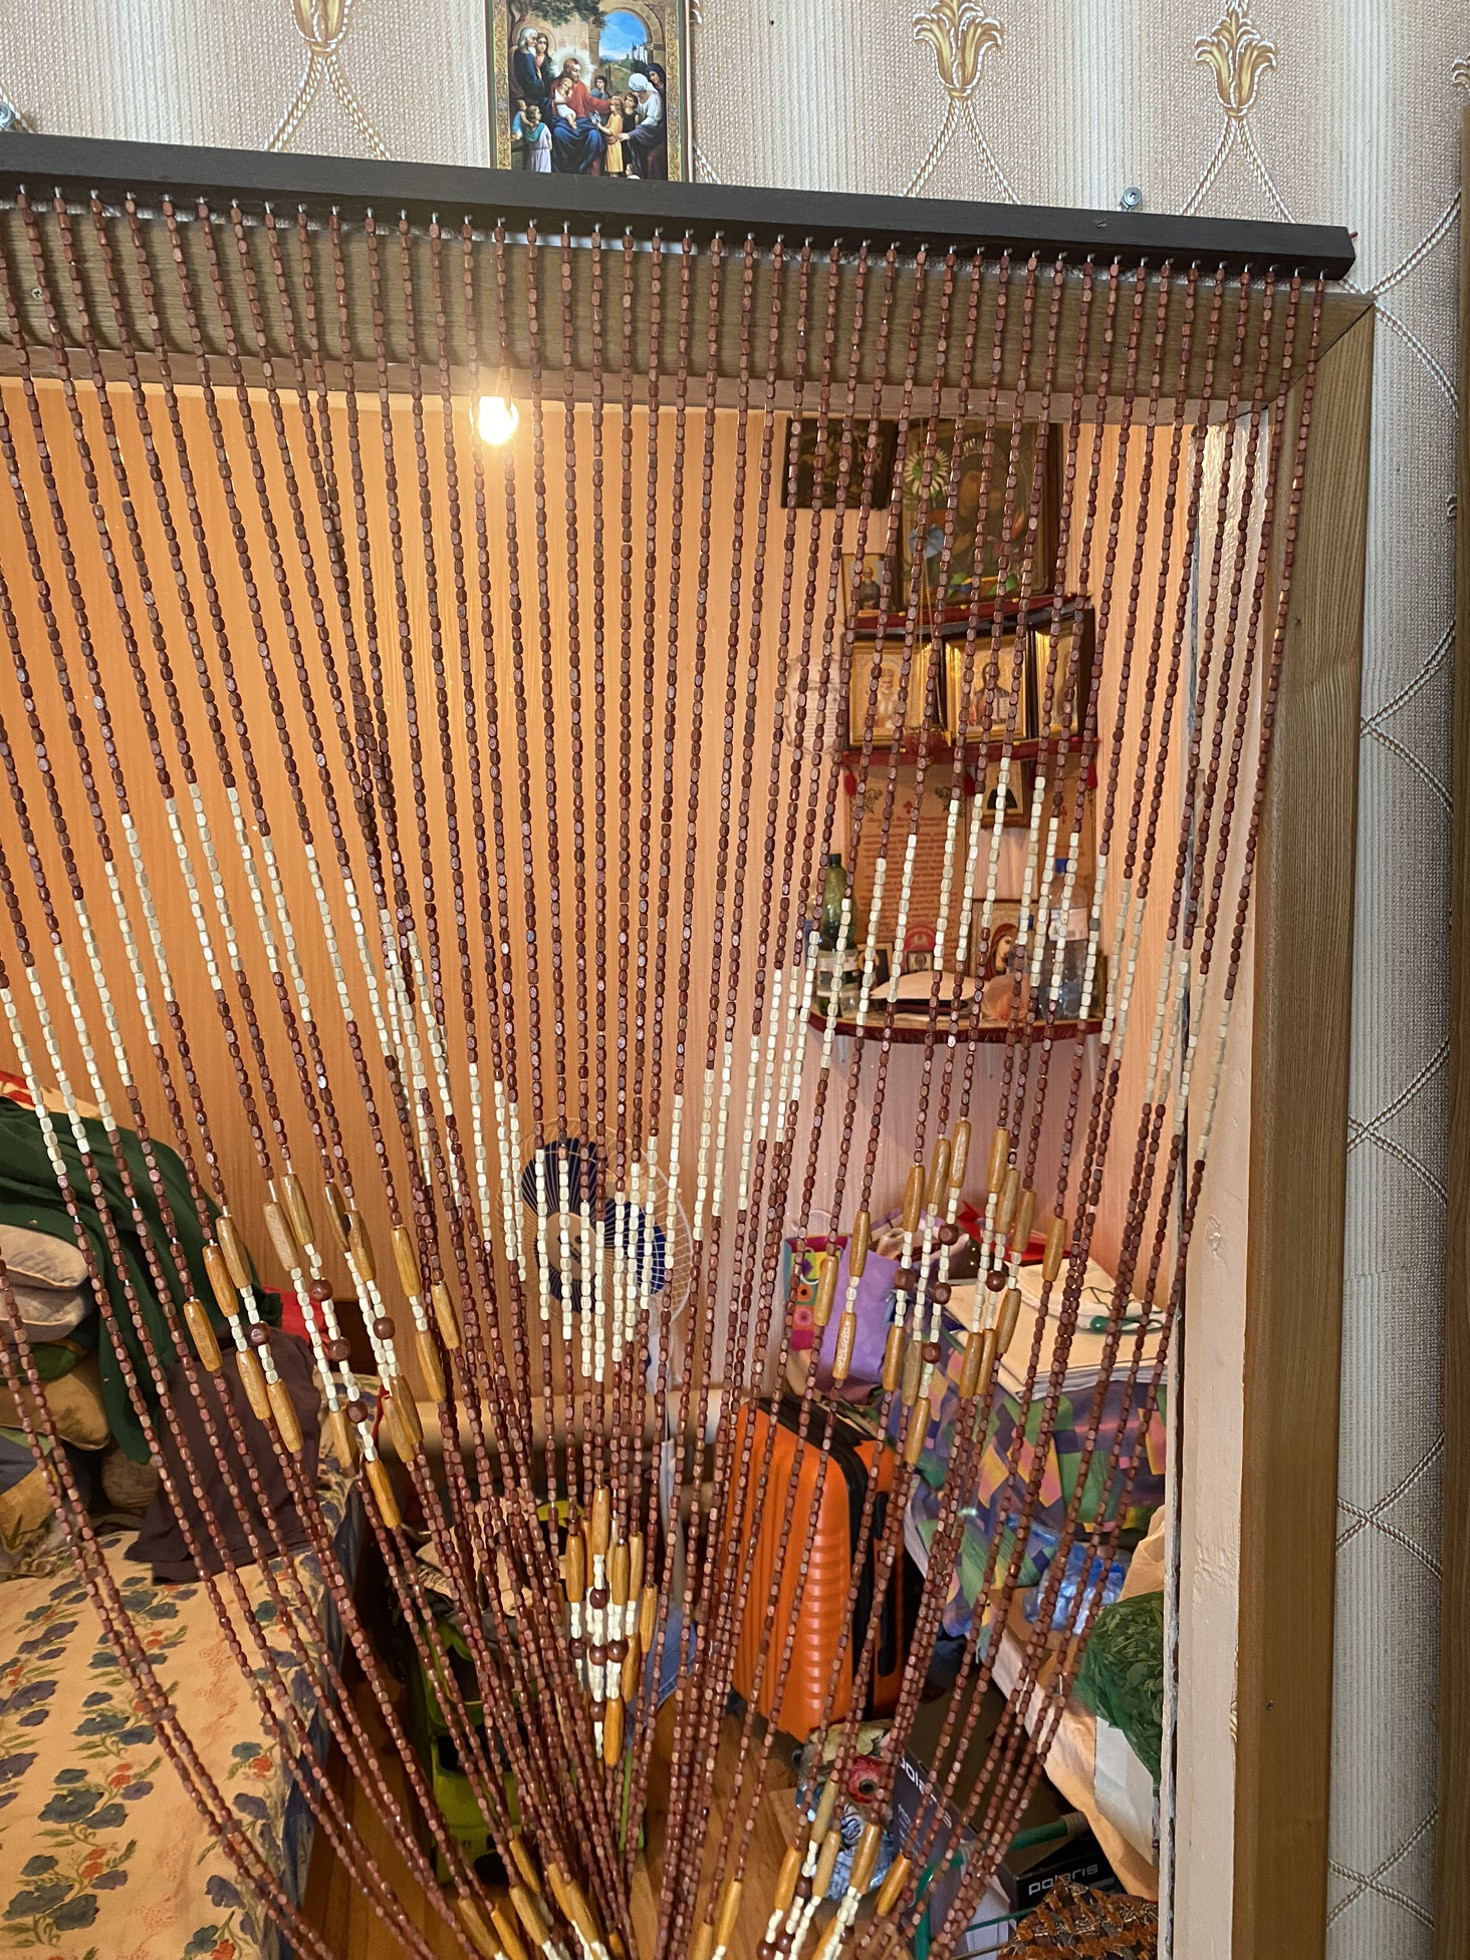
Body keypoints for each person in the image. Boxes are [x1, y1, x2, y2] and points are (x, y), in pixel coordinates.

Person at [547, 74, 608, 174]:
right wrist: (556, 102)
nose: (578, 73)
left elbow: (590, 102)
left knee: (594, 135)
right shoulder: (555, 85)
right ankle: (561, 169)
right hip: (562, 118)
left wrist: (608, 103)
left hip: (581, 120)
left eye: (579, 71)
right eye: (575, 70)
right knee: (558, 132)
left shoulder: (581, 86)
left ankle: (584, 167)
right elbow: (548, 101)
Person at [623, 72, 666, 178]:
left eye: (634, 90)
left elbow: (653, 121)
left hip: (653, 135)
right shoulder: (637, 97)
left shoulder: (654, 98)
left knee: (650, 158)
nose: (633, 92)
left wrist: (635, 132)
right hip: (642, 134)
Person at [515, 99, 552, 172]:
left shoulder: (526, 129)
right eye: (538, 113)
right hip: (543, 155)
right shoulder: (543, 127)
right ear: (533, 115)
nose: (540, 114)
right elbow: (549, 142)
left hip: (534, 154)